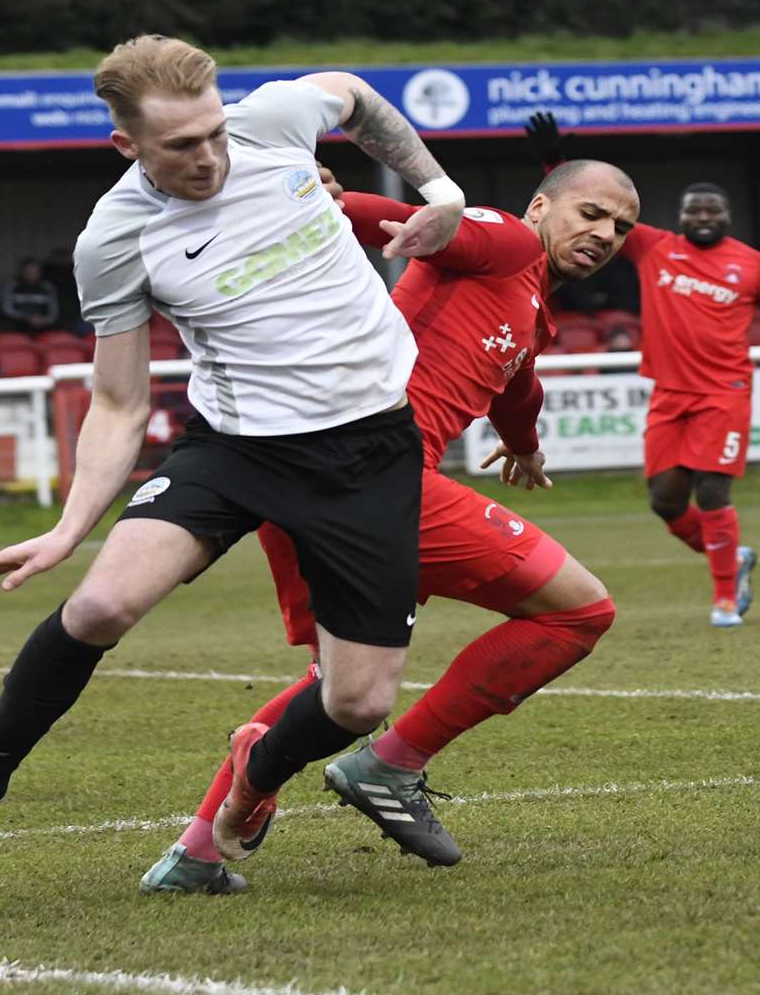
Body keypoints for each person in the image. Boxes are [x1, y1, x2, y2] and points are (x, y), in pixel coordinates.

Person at [0, 34, 467, 870]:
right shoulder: (116, 239)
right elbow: (118, 402)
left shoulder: (271, 122)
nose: (211, 156)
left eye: (215, 133)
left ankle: (254, 776)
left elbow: (355, 94)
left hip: (368, 450)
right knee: (97, 608)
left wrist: (439, 189)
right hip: (238, 449)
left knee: (357, 699)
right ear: (127, 145)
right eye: (183, 146)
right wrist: (68, 528)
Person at [141, 160, 638, 893]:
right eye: (590, 213)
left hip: (307, 478)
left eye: (621, 228)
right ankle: (391, 765)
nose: (604, 234)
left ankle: (194, 857)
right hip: (378, 478)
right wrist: (328, 201)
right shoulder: (505, 241)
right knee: (579, 611)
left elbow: (519, 383)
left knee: (335, 684)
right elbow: (418, 223)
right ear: (539, 206)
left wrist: (526, 445)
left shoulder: (529, 301)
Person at [525, 113, 760, 628]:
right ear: (683, 215)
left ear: (727, 215)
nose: (704, 216)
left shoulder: (752, 264)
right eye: (695, 209)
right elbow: (584, 204)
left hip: (725, 392)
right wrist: (554, 161)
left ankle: (724, 599)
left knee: (713, 492)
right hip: (669, 394)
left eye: (713, 208)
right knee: (665, 502)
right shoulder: (654, 246)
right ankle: (733, 559)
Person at [0, 258, 62, 333]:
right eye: (28, 272)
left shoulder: (47, 287)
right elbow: (7, 309)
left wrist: (44, 320)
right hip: (17, 323)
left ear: (40, 272)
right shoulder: (11, 286)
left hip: (42, 323)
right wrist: (27, 318)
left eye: (35, 272)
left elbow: (53, 310)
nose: (31, 274)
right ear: (21, 272)